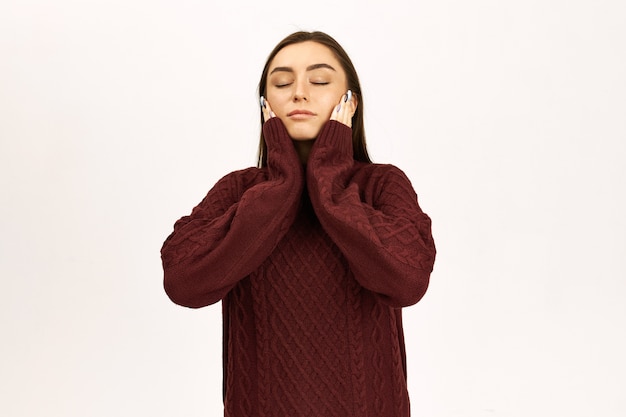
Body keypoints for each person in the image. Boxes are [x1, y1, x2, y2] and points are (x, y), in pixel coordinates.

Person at [161, 31, 436, 417]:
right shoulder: (239, 191)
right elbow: (183, 283)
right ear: (265, 105)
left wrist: (329, 179)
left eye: (320, 81)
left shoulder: (382, 185)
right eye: (282, 82)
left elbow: (407, 281)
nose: (300, 93)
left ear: (350, 102)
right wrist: (282, 183)